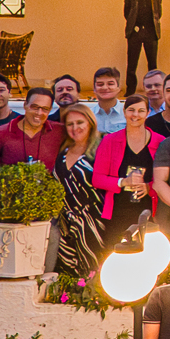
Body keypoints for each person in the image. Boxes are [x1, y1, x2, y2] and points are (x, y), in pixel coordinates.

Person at [91, 93, 158, 259]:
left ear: (148, 112)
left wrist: (148, 187)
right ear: (124, 111)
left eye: (141, 110)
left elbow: (166, 179)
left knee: (148, 259)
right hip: (117, 213)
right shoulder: (110, 141)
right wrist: (123, 182)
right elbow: (97, 179)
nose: (136, 115)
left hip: (149, 213)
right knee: (114, 258)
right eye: (131, 110)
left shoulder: (160, 142)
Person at [50, 104, 111, 276]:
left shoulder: (101, 147)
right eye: (70, 124)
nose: (75, 128)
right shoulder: (62, 150)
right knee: (68, 272)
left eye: (79, 122)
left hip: (94, 221)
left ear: (90, 122)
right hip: (65, 222)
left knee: (95, 271)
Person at [0, 85, 66, 179]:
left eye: (45, 109)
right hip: (10, 192)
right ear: (25, 105)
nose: (39, 113)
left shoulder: (58, 131)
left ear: (50, 110)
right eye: (34, 107)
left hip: (46, 192)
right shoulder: (2, 133)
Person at [125, 0, 162, 81]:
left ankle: (153, 84)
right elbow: (127, 13)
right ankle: (130, 89)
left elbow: (158, 13)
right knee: (132, 62)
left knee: (152, 62)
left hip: (151, 31)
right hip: (135, 32)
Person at [90, 66, 128, 134]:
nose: (105, 87)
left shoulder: (128, 114)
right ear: (94, 89)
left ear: (119, 88)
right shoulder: (88, 115)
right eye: (100, 84)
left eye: (110, 84)